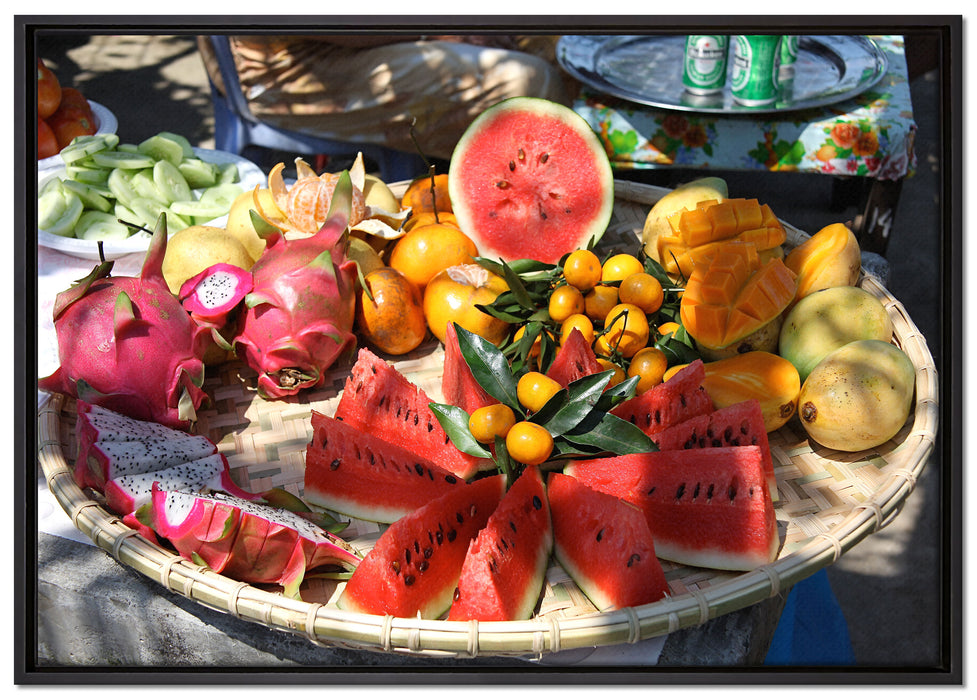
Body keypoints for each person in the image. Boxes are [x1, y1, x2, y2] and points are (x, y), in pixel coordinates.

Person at [197, 34, 577, 162]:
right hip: (295, 68)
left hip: (369, 32)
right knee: (526, 80)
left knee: (559, 42)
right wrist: (435, 27)